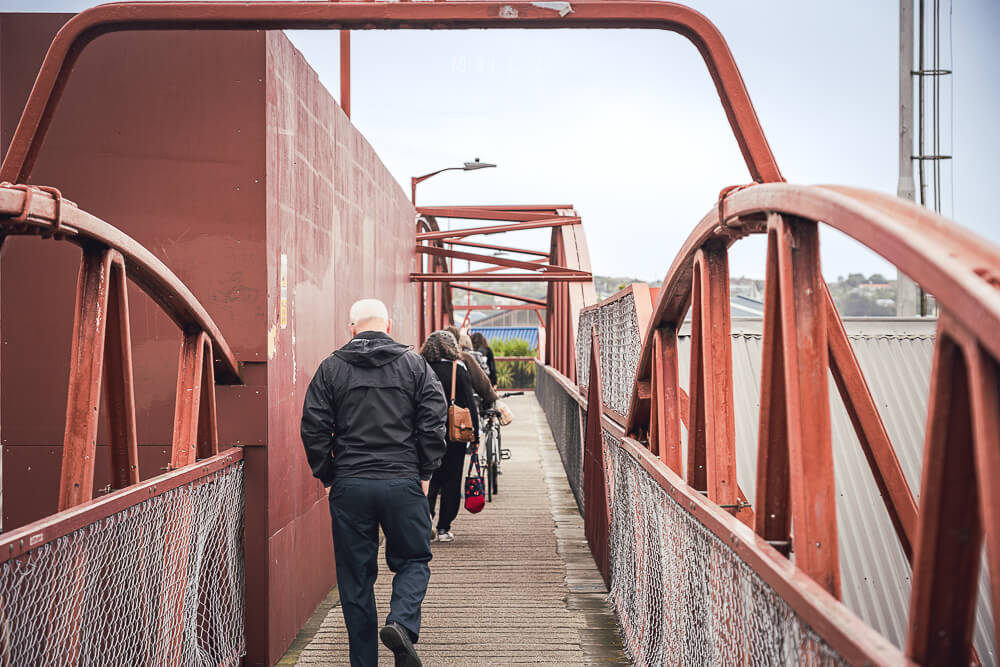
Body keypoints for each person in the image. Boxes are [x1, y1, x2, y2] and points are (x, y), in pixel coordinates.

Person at [301, 298, 447, 667]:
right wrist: (426, 472)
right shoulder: (415, 365)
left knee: (355, 578)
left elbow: (314, 427)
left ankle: (364, 663)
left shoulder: (331, 368)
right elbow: (433, 421)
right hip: (402, 481)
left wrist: (329, 475)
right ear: (389, 325)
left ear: (351, 328)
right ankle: (401, 624)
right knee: (413, 559)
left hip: (351, 484)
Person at [420, 330, 479, 543]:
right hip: (454, 434)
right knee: (451, 481)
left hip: (425, 433)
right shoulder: (458, 370)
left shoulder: (420, 368)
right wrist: (476, 436)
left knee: (428, 477)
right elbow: (470, 406)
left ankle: (425, 521)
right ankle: (444, 528)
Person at [445, 325, 497, 405]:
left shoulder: (431, 360)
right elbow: (486, 375)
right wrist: (492, 394)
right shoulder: (466, 358)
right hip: (464, 403)